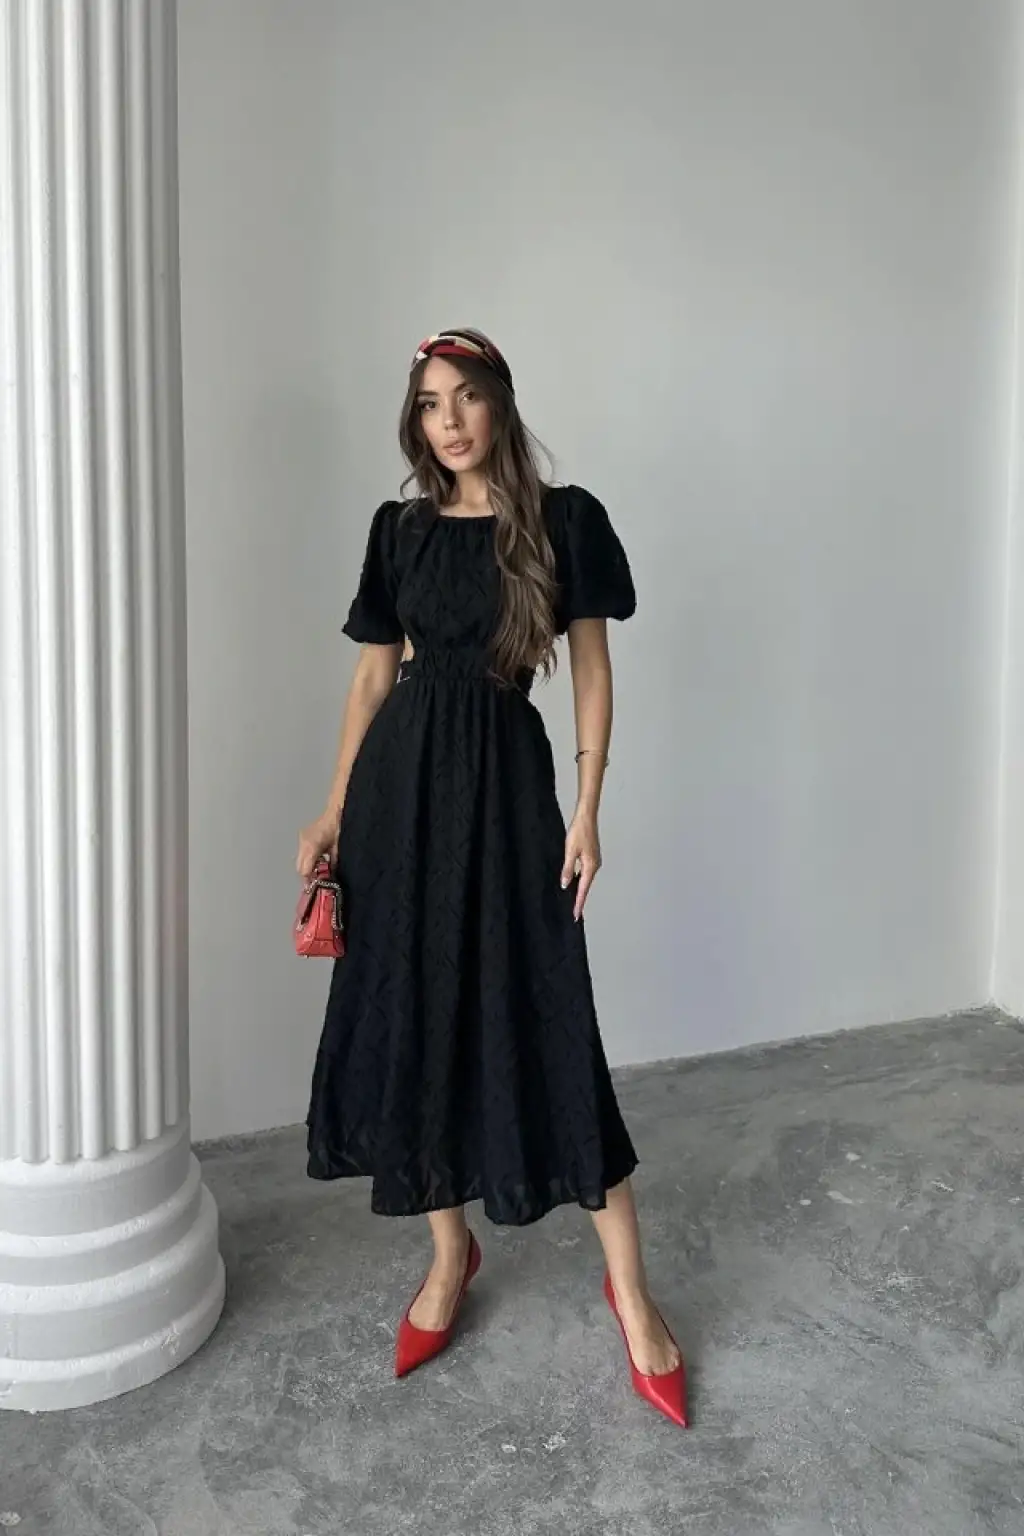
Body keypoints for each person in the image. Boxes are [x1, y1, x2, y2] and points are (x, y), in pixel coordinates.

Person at [297, 328, 688, 1428]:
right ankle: (448, 1254)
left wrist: (591, 806)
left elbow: (592, 667)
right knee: (419, 1013)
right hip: (400, 797)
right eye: (430, 404)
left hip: (509, 790)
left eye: (466, 397)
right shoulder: (400, 531)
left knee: (546, 1009)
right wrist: (333, 810)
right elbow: (372, 679)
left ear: (500, 404)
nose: (450, 420)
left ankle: (632, 1294)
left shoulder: (564, 520)